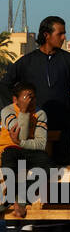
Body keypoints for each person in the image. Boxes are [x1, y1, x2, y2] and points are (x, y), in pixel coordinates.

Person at [0, 15, 70, 151]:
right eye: (60, 34)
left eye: (64, 34)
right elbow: (4, 86)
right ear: (46, 35)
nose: (63, 38)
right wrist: (19, 110)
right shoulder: (27, 61)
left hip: (64, 125)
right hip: (34, 125)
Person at [1, 81, 50, 218]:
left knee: (48, 167)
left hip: (31, 152)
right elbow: (20, 136)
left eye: (33, 97)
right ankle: (12, 199)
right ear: (15, 100)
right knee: (9, 165)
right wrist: (23, 111)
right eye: (26, 98)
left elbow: (40, 144)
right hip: (10, 150)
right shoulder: (8, 111)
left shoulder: (40, 114)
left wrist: (21, 142)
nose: (30, 101)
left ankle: (19, 198)